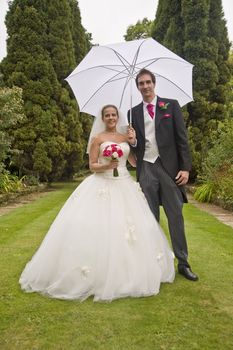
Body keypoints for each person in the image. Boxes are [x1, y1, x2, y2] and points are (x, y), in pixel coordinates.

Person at [19, 104, 175, 302]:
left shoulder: (124, 136)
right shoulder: (97, 139)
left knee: (130, 229)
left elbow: (135, 162)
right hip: (102, 183)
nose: (111, 118)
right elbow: (92, 166)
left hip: (125, 184)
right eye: (107, 115)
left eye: (114, 115)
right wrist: (107, 165)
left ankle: (128, 272)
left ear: (118, 117)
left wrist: (133, 140)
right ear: (103, 118)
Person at [127, 69, 198, 281]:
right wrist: (133, 142)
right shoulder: (133, 112)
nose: (145, 86)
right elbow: (137, 146)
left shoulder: (171, 105)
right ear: (137, 87)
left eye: (148, 82)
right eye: (141, 83)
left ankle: (183, 264)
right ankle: (153, 264)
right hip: (146, 168)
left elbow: (182, 139)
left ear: (154, 84)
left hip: (170, 169)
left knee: (175, 216)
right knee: (150, 218)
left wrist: (185, 168)